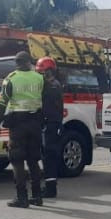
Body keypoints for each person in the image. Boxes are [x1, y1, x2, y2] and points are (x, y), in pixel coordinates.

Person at [0, 51, 44, 208]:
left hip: (18, 125)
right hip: (35, 122)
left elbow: (2, 103)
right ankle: (37, 196)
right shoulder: (39, 77)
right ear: (29, 62)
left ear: (17, 63)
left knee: (17, 160)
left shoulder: (11, 79)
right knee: (34, 160)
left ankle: (21, 197)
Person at [36, 56, 63, 199]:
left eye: (42, 72)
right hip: (52, 124)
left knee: (49, 156)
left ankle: (50, 189)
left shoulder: (51, 86)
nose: (40, 75)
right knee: (48, 156)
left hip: (50, 125)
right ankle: (50, 186)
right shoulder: (54, 84)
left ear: (49, 71)